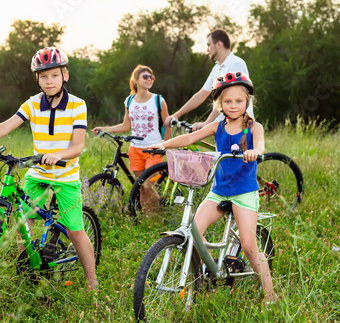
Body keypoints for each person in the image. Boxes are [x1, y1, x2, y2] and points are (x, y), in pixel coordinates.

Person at [0, 47, 98, 291]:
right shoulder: (33, 104)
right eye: (43, 77)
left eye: (54, 75)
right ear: (37, 80)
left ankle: (92, 282)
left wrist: (57, 155)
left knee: (75, 231)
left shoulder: (77, 105)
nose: (49, 81)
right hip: (37, 171)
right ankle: (29, 272)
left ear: (65, 75)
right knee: (24, 222)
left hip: (65, 175)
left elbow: (77, 146)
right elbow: (6, 126)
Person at [148, 72, 278, 304]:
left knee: (248, 244)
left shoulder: (253, 127)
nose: (233, 105)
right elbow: (190, 138)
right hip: (219, 190)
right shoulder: (218, 126)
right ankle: (205, 273)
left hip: (244, 192)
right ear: (220, 104)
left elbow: (260, 145)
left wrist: (254, 152)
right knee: (193, 231)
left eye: (239, 100)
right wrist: (163, 145)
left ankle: (270, 294)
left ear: (247, 101)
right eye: (227, 101)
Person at [91, 64, 170, 212]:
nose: (149, 79)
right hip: (135, 150)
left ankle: (162, 209)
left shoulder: (158, 100)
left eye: (151, 76)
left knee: (148, 185)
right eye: (145, 76)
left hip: (154, 149)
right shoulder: (129, 101)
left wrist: (165, 145)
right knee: (140, 188)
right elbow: (126, 125)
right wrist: (105, 128)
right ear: (135, 80)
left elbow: (167, 124)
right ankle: (149, 222)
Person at [165, 29, 254, 131]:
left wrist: (207, 122)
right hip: (222, 127)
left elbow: (228, 97)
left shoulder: (236, 64)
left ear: (219, 44)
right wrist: (176, 115)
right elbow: (201, 95)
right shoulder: (217, 68)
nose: (207, 49)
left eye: (209, 45)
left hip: (239, 126)